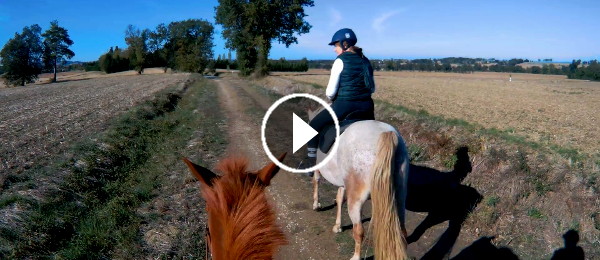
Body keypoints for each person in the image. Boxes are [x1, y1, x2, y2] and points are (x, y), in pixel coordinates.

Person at [303, 28, 376, 170]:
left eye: (335, 46)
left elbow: (330, 92)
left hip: (344, 106)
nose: (334, 50)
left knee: (312, 127)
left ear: (344, 44)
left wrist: (333, 98)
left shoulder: (340, 61)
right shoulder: (366, 61)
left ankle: (310, 164)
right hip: (367, 108)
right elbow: (372, 88)